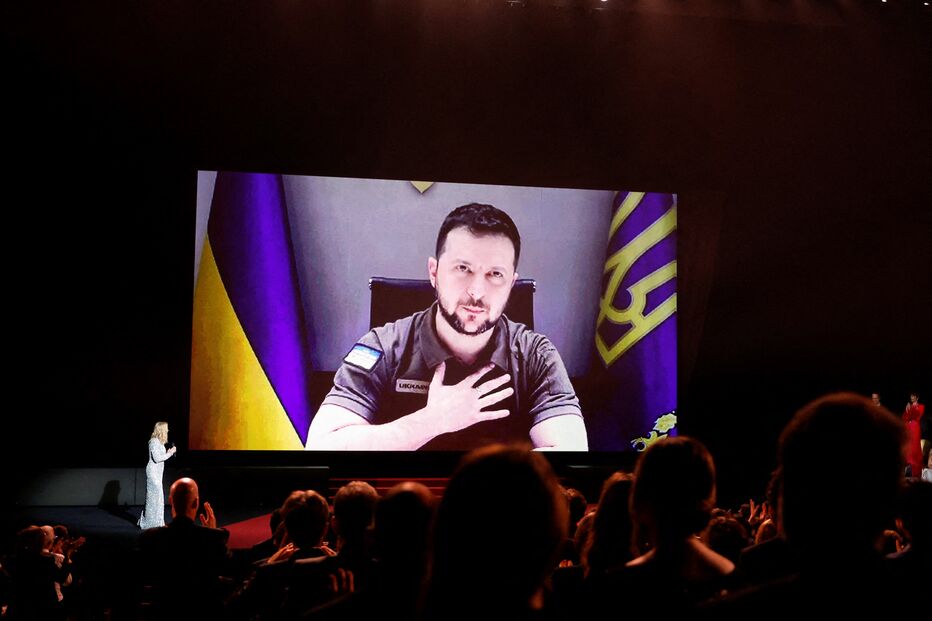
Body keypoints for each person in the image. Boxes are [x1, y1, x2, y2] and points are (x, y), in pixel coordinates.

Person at [305, 203, 588, 451]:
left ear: (511, 284)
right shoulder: (382, 346)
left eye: (495, 274)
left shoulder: (536, 355)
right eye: (463, 269)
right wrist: (431, 421)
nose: (477, 291)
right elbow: (321, 446)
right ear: (434, 273)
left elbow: (571, 449)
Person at [137, 477, 232, 616]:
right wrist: (212, 532)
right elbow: (228, 569)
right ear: (196, 502)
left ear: (170, 501)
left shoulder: (150, 538)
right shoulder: (214, 539)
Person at [137, 421, 177, 529]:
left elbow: (160, 456)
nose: (167, 431)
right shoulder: (153, 441)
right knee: (154, 497)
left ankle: (156, 522)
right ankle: (149, 523)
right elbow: (157, 458)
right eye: (166, 429)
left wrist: (167, 452)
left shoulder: (159, 442)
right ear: (161, 430)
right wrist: (170, 453)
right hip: (153, 473)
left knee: (158, 497)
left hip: (158, 473)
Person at [903, 392, 925, 478]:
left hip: (915, 428)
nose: (912, 397)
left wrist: (911, 408)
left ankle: (916, 472)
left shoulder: (921, 406)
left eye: (913, 396)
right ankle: (908, 470)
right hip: (908, 427)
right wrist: (907, 409)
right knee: (907, 448)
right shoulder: (909, 406)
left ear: (917, 397)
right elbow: (905, 417)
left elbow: (917, 416)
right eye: (911, 396)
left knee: (915, 448)